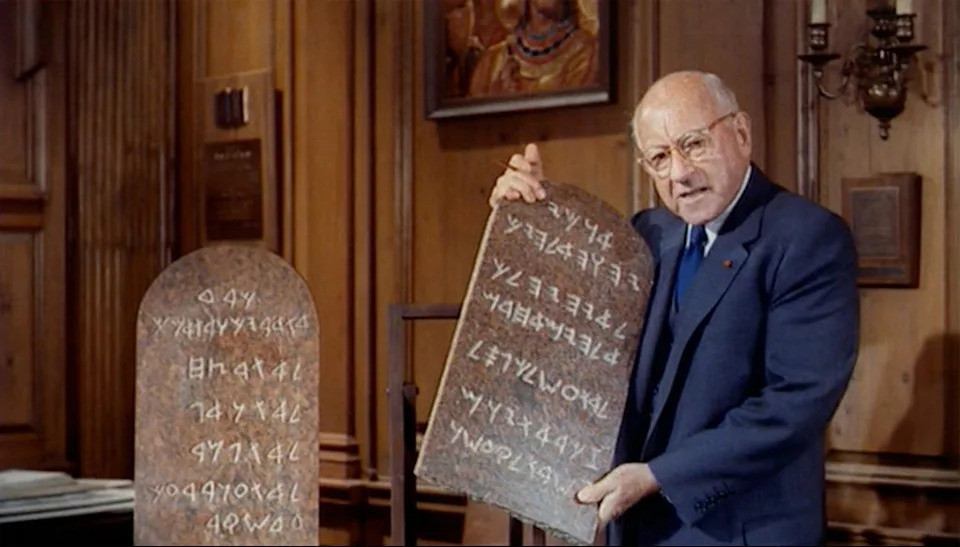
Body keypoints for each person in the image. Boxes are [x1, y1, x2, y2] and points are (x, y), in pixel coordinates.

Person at [489, 70, 859, 545]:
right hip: (635, 527)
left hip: (739, 532)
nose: (679, 173)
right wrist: (527, 224)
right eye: (660, 157)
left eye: (694, 144)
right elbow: (574, 332)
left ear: (742, 133)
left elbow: (793, 403)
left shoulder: (807, 238)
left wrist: (657, 476)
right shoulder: (648, 233)